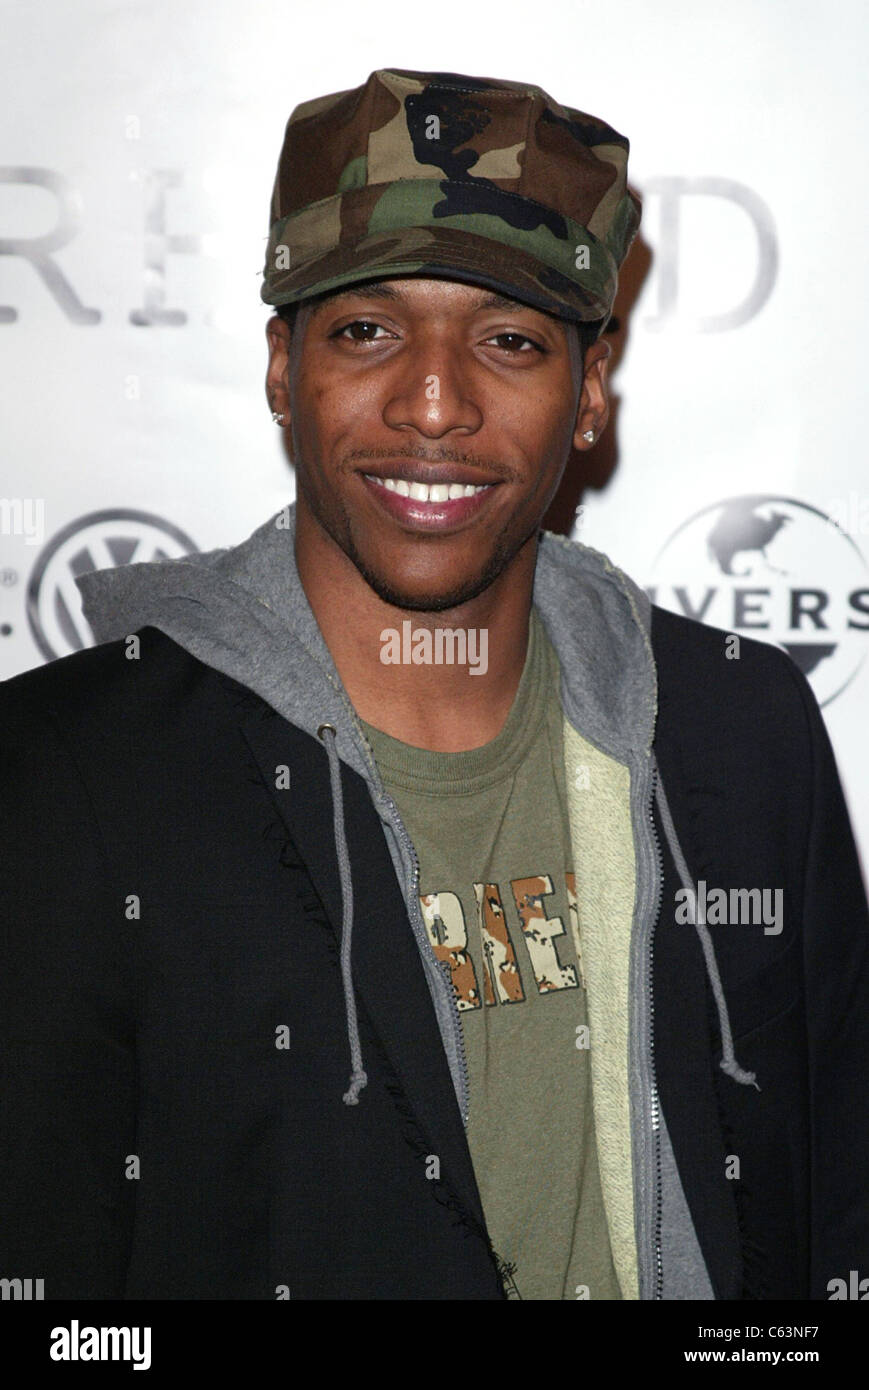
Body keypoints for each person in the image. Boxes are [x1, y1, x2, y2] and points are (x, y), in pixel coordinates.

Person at [2, 66, 868, 1302]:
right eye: (365, 329)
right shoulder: (64, 776)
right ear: (280, 367)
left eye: (509, 341)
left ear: (587, 394)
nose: (432, 402)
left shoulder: (743, 732)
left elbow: (828, 1207)